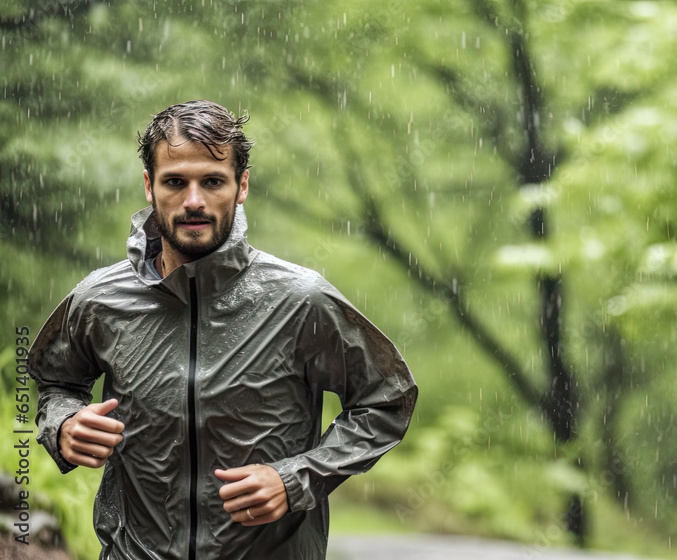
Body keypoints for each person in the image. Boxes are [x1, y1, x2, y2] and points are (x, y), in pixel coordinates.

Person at [28, 100, 418, 559]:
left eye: (212, 181)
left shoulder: (300, 300)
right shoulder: (100, 300)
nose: (194, 200)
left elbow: (386, 397)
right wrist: (63, 424)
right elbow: (55, 382)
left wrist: (296, 479)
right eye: (176, 182)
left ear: (242, 186)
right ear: (150, 187)